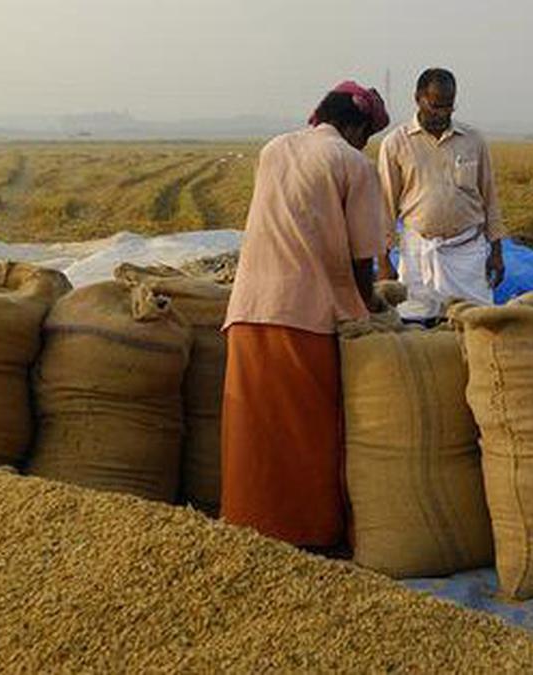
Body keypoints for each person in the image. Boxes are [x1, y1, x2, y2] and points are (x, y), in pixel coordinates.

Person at [220, 81, 389, 552]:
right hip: (305, 315)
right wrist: (370, 307)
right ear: (355, 127)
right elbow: (362, 258)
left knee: (255, 431)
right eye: (366, 135)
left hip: (249, 308)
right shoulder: (352, 163)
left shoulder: (274, 148)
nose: (365, 144)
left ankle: (246, 525)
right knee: (307, 433)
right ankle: (309, 536)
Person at [377, 68, 505, 321]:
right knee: (414, 322)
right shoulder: (395, 143)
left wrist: (497, 252)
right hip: (418, 250)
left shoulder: (473, 141)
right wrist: (383, 261)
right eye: (435, 106)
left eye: (448, 106)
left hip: (467, 252)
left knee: (475, 321)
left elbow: (489, 197)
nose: (442, 113)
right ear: (418, 98)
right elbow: (385, 206)